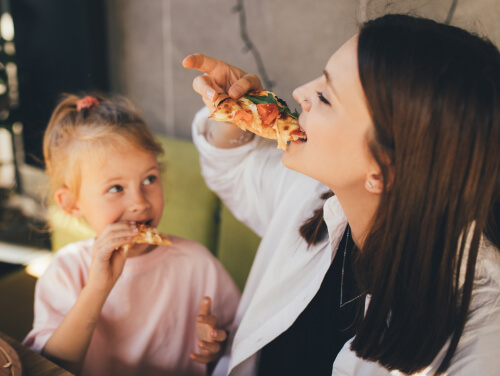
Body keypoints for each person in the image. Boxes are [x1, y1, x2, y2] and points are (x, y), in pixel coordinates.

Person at [183, 13, 500, 376]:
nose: (300, 92)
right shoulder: (317, 194)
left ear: (382, 169)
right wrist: (241, 113)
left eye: (324, 96)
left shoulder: (478, 346)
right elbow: (234, 172)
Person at [23, 93, 241, 376]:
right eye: (116, 188)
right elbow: (51, 367)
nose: (140, 202)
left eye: (149, 179)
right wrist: (98, 288)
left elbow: (243, 340)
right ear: (71, 204)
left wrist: (217, 346)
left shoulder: (197, 263)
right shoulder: (66, 270)